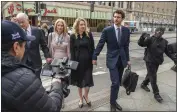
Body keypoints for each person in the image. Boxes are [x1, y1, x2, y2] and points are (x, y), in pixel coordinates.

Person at [1, 20, 64, 112]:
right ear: (16, 47)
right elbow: (51, 108)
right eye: (24, 45)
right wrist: (57, 85)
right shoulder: (22, 79)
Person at [92, 9, 131, 111]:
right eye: (114, 16)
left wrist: (128, 59)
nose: (116, 19)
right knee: (115, 82)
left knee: (118, 83)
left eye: (118, 17)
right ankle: (112, 104)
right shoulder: (107, 30)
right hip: (112, 60)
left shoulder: (126, 30)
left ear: (122, 19)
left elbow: (126, 46)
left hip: (122, 60)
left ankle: (114, 101)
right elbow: (100, 44)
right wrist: (94, 56)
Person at [138, 27, 175, 103]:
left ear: (163, 33)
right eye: (158, 31)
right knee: (153, 77)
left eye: (161, 32)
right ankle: (156, 93)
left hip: (157, 61)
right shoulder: (150, 39)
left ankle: (144, 84)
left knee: (150, 74)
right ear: (155, 32)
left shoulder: (164, 42)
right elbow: (141, 44)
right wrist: (142, 37)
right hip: (149, 61)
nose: (159, 33)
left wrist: (175, 60)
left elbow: (168, 52)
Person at [16, 13, 52, 79]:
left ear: (27, 20)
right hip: (23, 63)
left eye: (22, 22)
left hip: (36, 62)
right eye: (19, 22)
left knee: (37, 81)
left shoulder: (37, 31)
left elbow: (44, 45)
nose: (21, 24)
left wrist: (47, 56)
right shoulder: (17, 32)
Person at [70, 18, 95, 108]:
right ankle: (81, 98)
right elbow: (72, 51)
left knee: (87, 81)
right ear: (77, 25)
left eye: (84, 24)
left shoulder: (89, 35)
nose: (83, 26)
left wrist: (94, 58)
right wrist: (72, 63)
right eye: (81, 24)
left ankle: (86, 96)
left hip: (88, 62)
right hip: (78, 62)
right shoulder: (73, 36)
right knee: (80, 82)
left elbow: (93, 48)